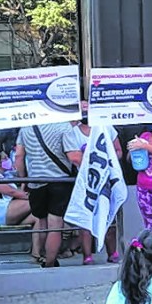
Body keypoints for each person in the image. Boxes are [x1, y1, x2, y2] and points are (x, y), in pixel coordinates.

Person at [64, 101, 122, 264]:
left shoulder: (106, 127)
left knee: (109, 217)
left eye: (87, 109)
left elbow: (118, 151)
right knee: (86, 218)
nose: (85, 112)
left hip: (107, 181)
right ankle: (87, 255)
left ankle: (112, 253)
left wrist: (110, 160)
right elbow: (74, 158)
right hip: (85, 183)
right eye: (82, 110)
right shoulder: (71, 133)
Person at [15, 121, 76, 268]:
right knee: (55, 223)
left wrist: (23, 179)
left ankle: (42, 255)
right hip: (60, 181)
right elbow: (73, 156)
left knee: (42, 222)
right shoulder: (64, 126)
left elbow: (19, 156)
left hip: (36, 181)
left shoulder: (26, 127)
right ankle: (50, 261)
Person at [128, 122, 152, 230]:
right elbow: (131, 159)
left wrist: (145, 146)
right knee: (149, 224)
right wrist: (133, 149)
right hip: (143, 187)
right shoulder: (144, 136)